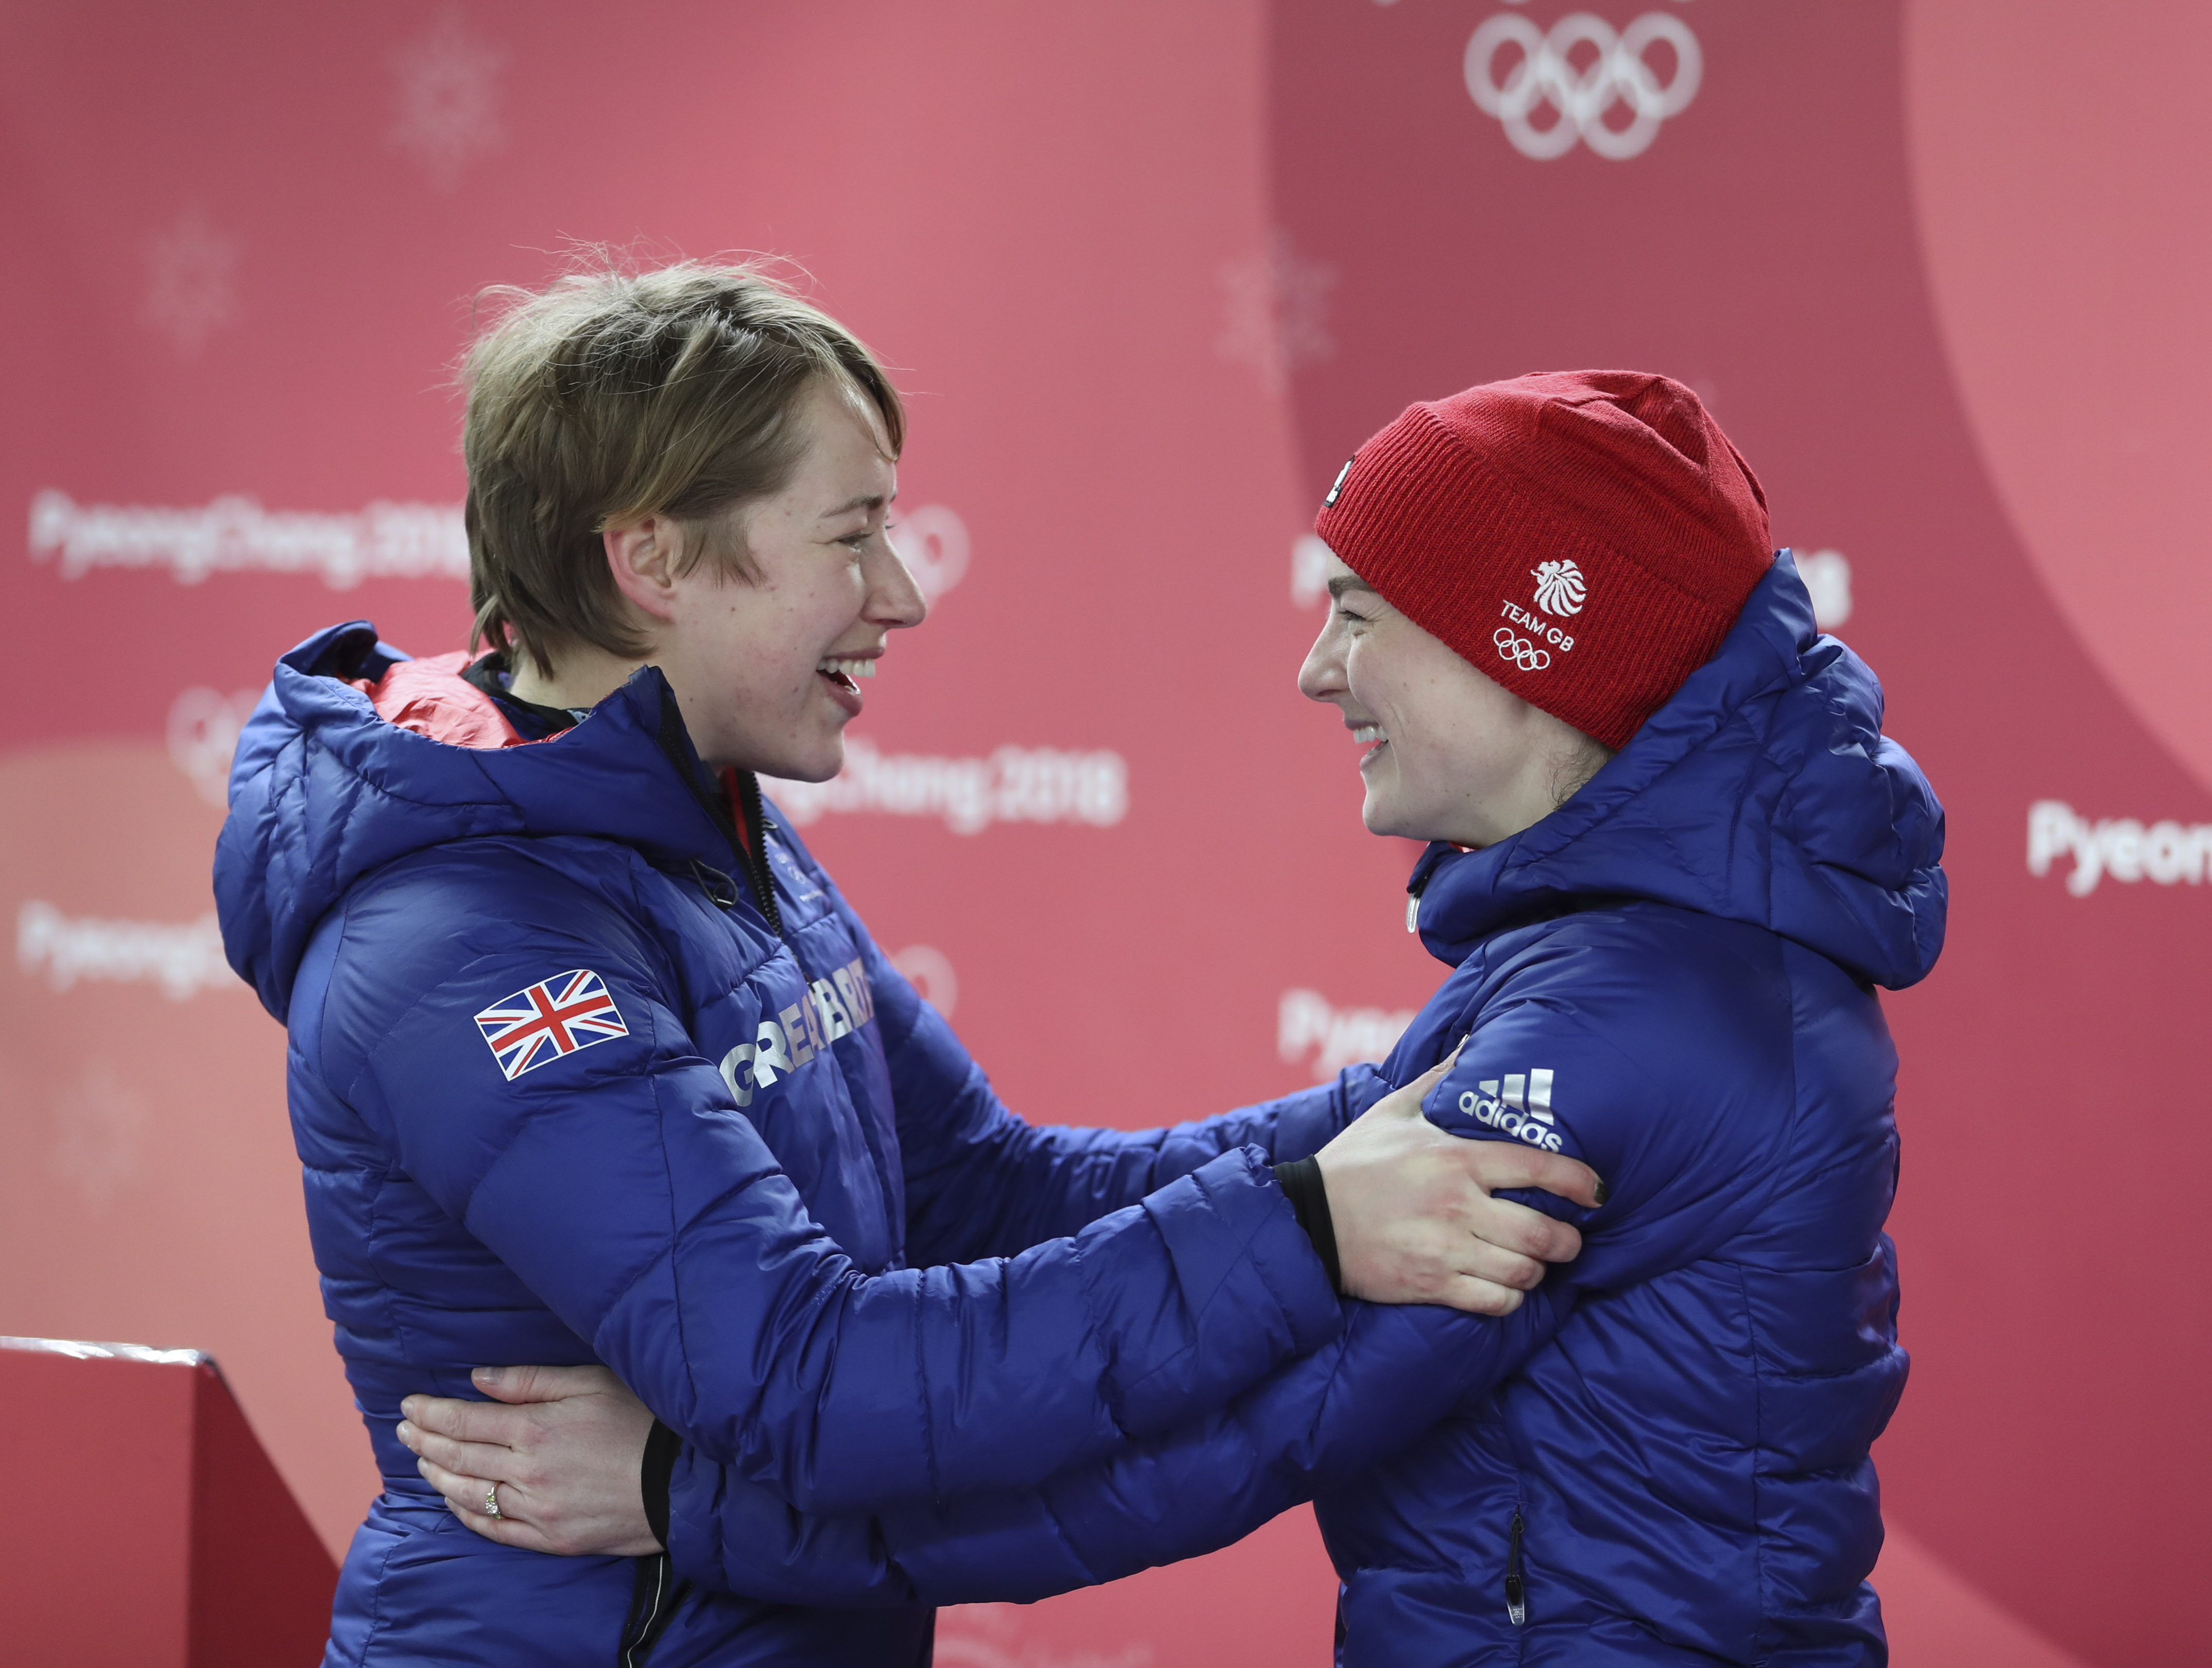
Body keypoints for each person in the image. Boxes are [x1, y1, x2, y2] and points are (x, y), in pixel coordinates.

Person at [401, 371, 1946, 1665]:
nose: (1315, 668)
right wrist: (1311, 1210)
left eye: (1359, 614)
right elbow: (1059, 1194)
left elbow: (1217, 1446)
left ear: (1530, 655)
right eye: (850, 533)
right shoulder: (1655, 963)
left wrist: (684, 1497)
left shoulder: (1624, 1016)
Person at [212, 264, 1603, 1667]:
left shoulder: (698, 818)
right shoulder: (472, 936)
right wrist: (1309, 1229)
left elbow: (985, 1192)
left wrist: (1387, 1120)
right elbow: (814, 1383)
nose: (906, 590)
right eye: (853, 533)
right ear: (654, 562)